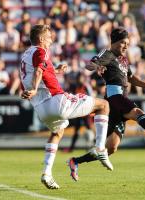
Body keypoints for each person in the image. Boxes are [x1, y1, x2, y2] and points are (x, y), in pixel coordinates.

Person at [67, 27, 145, 181]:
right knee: (137, 113)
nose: (126, 46)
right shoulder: (108, 54)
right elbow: (92, 64)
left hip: (119, 100)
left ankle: (75, 162)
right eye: (123, 43)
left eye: (127, 43)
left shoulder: (123, 59)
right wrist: (96, 66)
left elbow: (131, 77)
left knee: (111, 148)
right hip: (114, 97)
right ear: (114, 42)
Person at [20, 24, 113, 189]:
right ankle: (100, 148)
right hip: (57, 101)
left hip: (41, 109)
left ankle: (47, 173)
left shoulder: (26, 54)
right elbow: (38, 72)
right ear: (41, 39)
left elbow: (41, 69)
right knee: (104, 105)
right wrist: (34, 88)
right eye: (49, 37)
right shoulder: (41, 51)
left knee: (58, 132)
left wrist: (55, 70)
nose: (51, 39)